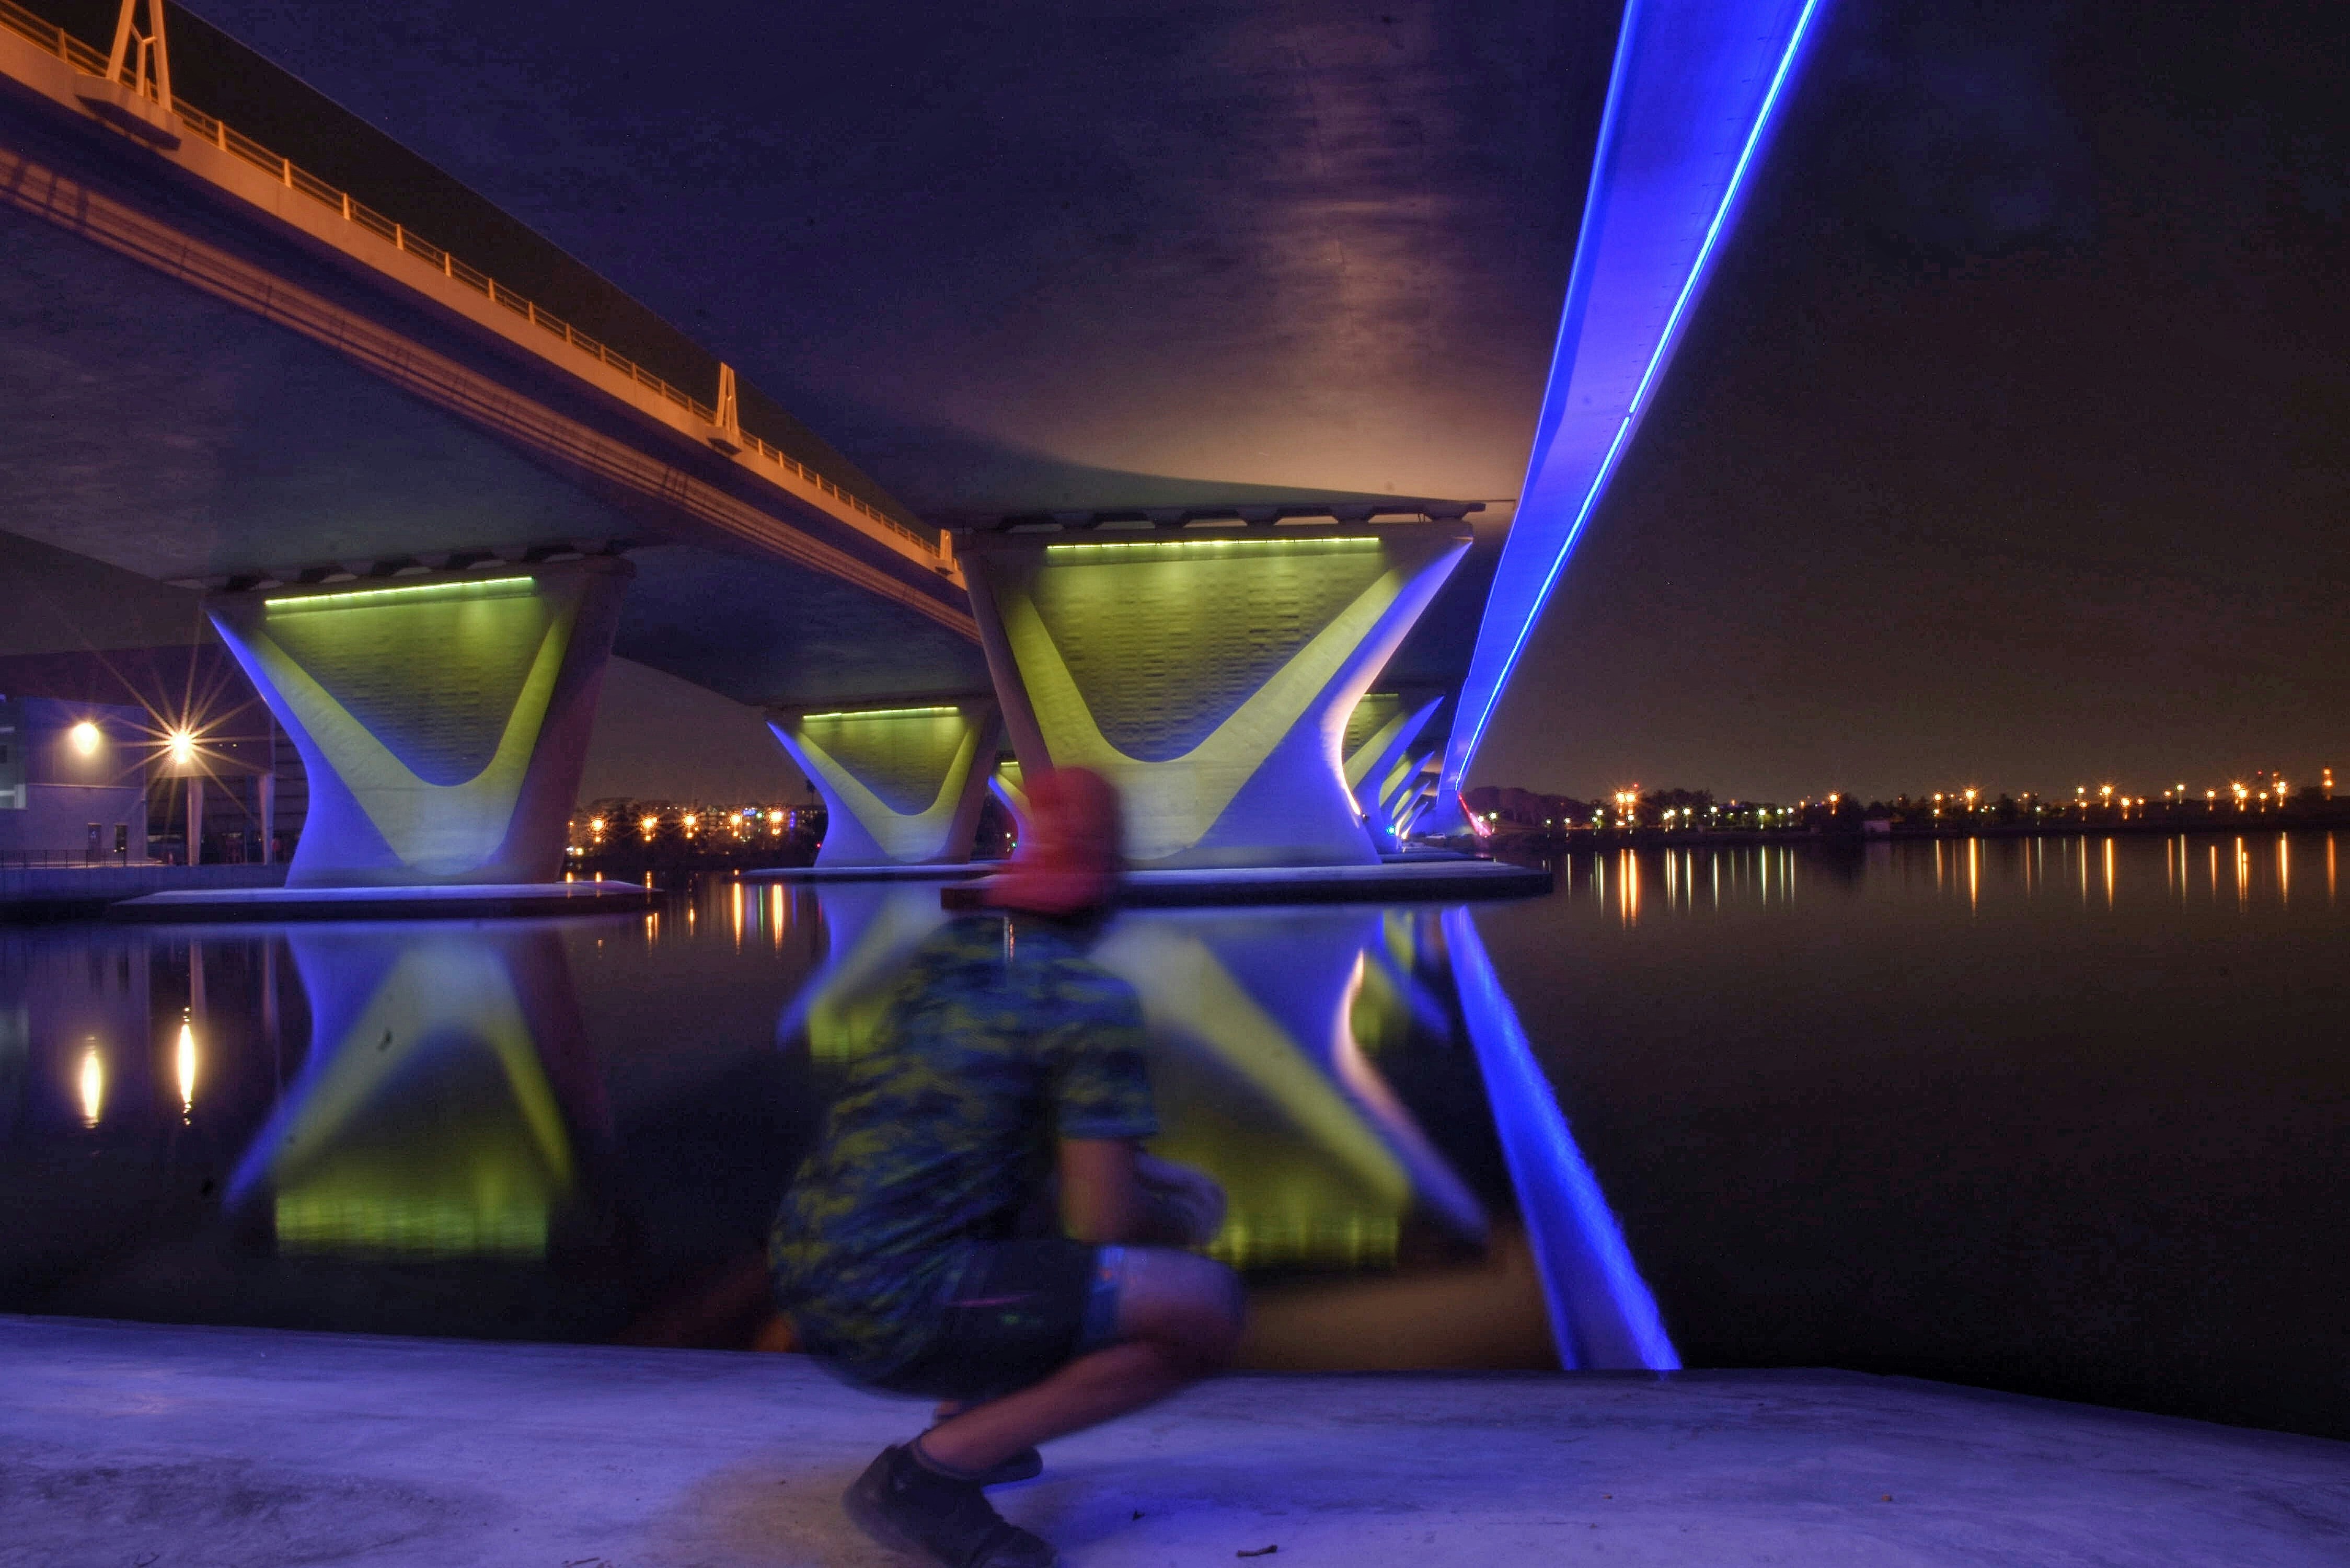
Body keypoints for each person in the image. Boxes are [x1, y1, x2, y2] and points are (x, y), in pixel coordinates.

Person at [769, 767, 1243, 1568]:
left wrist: (1143, 1176)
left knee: (1037, 1205)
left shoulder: (946, 963)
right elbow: (1104, 1226)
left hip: (811, 1278)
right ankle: (930, 1477)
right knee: (1200, 1307)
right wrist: (1186, 1217)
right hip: (898, 1309)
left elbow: (988, 1138)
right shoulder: (1087, 1001)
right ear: (1107, 889)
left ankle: (977, 1411)